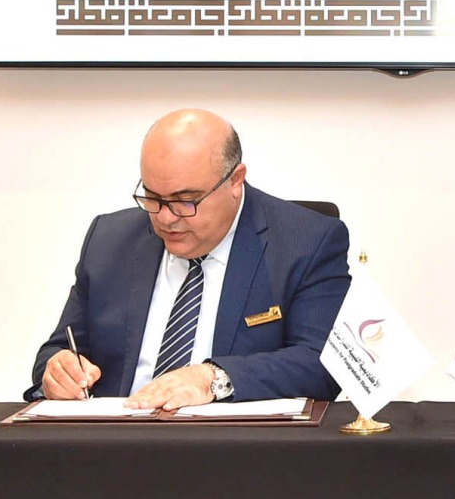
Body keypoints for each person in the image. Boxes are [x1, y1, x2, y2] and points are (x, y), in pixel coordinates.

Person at [25, 109, 351, 409]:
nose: (166, 218)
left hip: (238, 455)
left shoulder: (305, 242)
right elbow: (58, 350)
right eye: (152, 197)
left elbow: (321, 363)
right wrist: (57, 371)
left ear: (235, 180)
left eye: (185, 201)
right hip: (116, 450)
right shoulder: (110, 240)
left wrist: (212, 378)